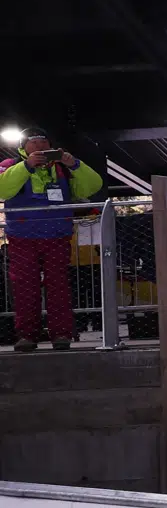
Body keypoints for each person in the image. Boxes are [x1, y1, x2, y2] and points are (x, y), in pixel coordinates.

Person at [0, 128, 104, 351]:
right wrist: (27, 166)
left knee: (59, 287)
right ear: (23, 147)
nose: (39, 146)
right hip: (22, 238)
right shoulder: (10, 166)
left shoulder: (62, 168)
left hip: (57, 237)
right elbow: (2, 190)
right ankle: (27, 336)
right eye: (33, 142)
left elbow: (93, 186)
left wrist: (74, 164)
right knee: (25, 287)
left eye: (43, 142)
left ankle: (62, 334)